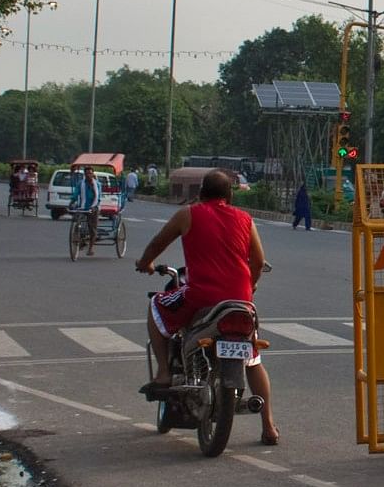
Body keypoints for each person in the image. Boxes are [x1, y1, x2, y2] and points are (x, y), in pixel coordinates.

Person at [135, 169, 278, 444]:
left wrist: (145, 263)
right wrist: (252, 286)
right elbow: (258, 262)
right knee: (254, 358)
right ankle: (269, 425)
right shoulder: (245, 219)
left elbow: (157, 243)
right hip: (240, 300)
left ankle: (164, 372)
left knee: (156, 306)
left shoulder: (188, 214)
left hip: (201, 296)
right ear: (230, 195)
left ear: (201, 193)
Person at [66, 164, 100, 249]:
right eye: (87, 173)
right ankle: (78, 238)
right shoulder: (80, 184)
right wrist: (70, 203)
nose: (88, 175)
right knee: (77, 222)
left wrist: (93, 207)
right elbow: (75, 195)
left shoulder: (97, 184)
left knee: (92, 229)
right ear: (84, 175)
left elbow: (98, 198)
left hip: (93, 208)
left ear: (93, 174)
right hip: (82, 207)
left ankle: (91, 248)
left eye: (90, 173)